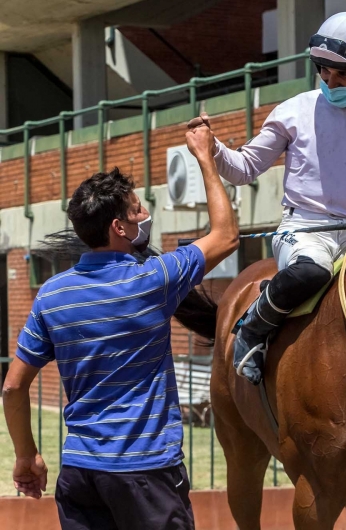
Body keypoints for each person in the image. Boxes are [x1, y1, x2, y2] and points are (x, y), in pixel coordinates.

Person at [2, 123, 236, 530]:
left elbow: (12, 386)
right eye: (138, 209)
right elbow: (227, 235)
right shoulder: (153, 280)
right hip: (147, 472)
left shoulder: (51, 294)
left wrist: (27, 456)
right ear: (120, 228)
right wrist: (205, 159)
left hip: (80, 474)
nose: (146, 214)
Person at [188, 11, 346, 385]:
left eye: (342, 74)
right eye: (323, 71)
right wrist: (211, 146)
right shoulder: (293, 110)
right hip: (303, 229)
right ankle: (253, 328)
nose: (331, 81)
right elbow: (244, 168)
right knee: (312, 272)